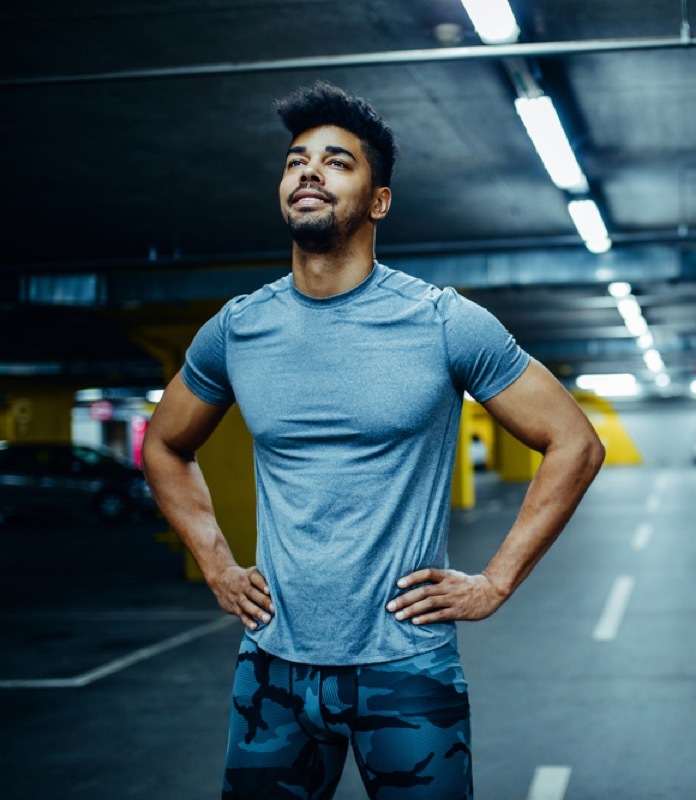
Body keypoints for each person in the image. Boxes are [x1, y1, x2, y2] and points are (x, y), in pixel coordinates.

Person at [142, 80, 605, 800]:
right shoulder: (237, 330)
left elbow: (574, 442)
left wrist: (496, 581)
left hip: (407, 667)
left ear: (378, 200)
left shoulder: (444, 322)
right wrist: (217, 564)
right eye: (296, 161)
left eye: (337, 161)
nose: (308, 173)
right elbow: (164, 445)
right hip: (272, 666)